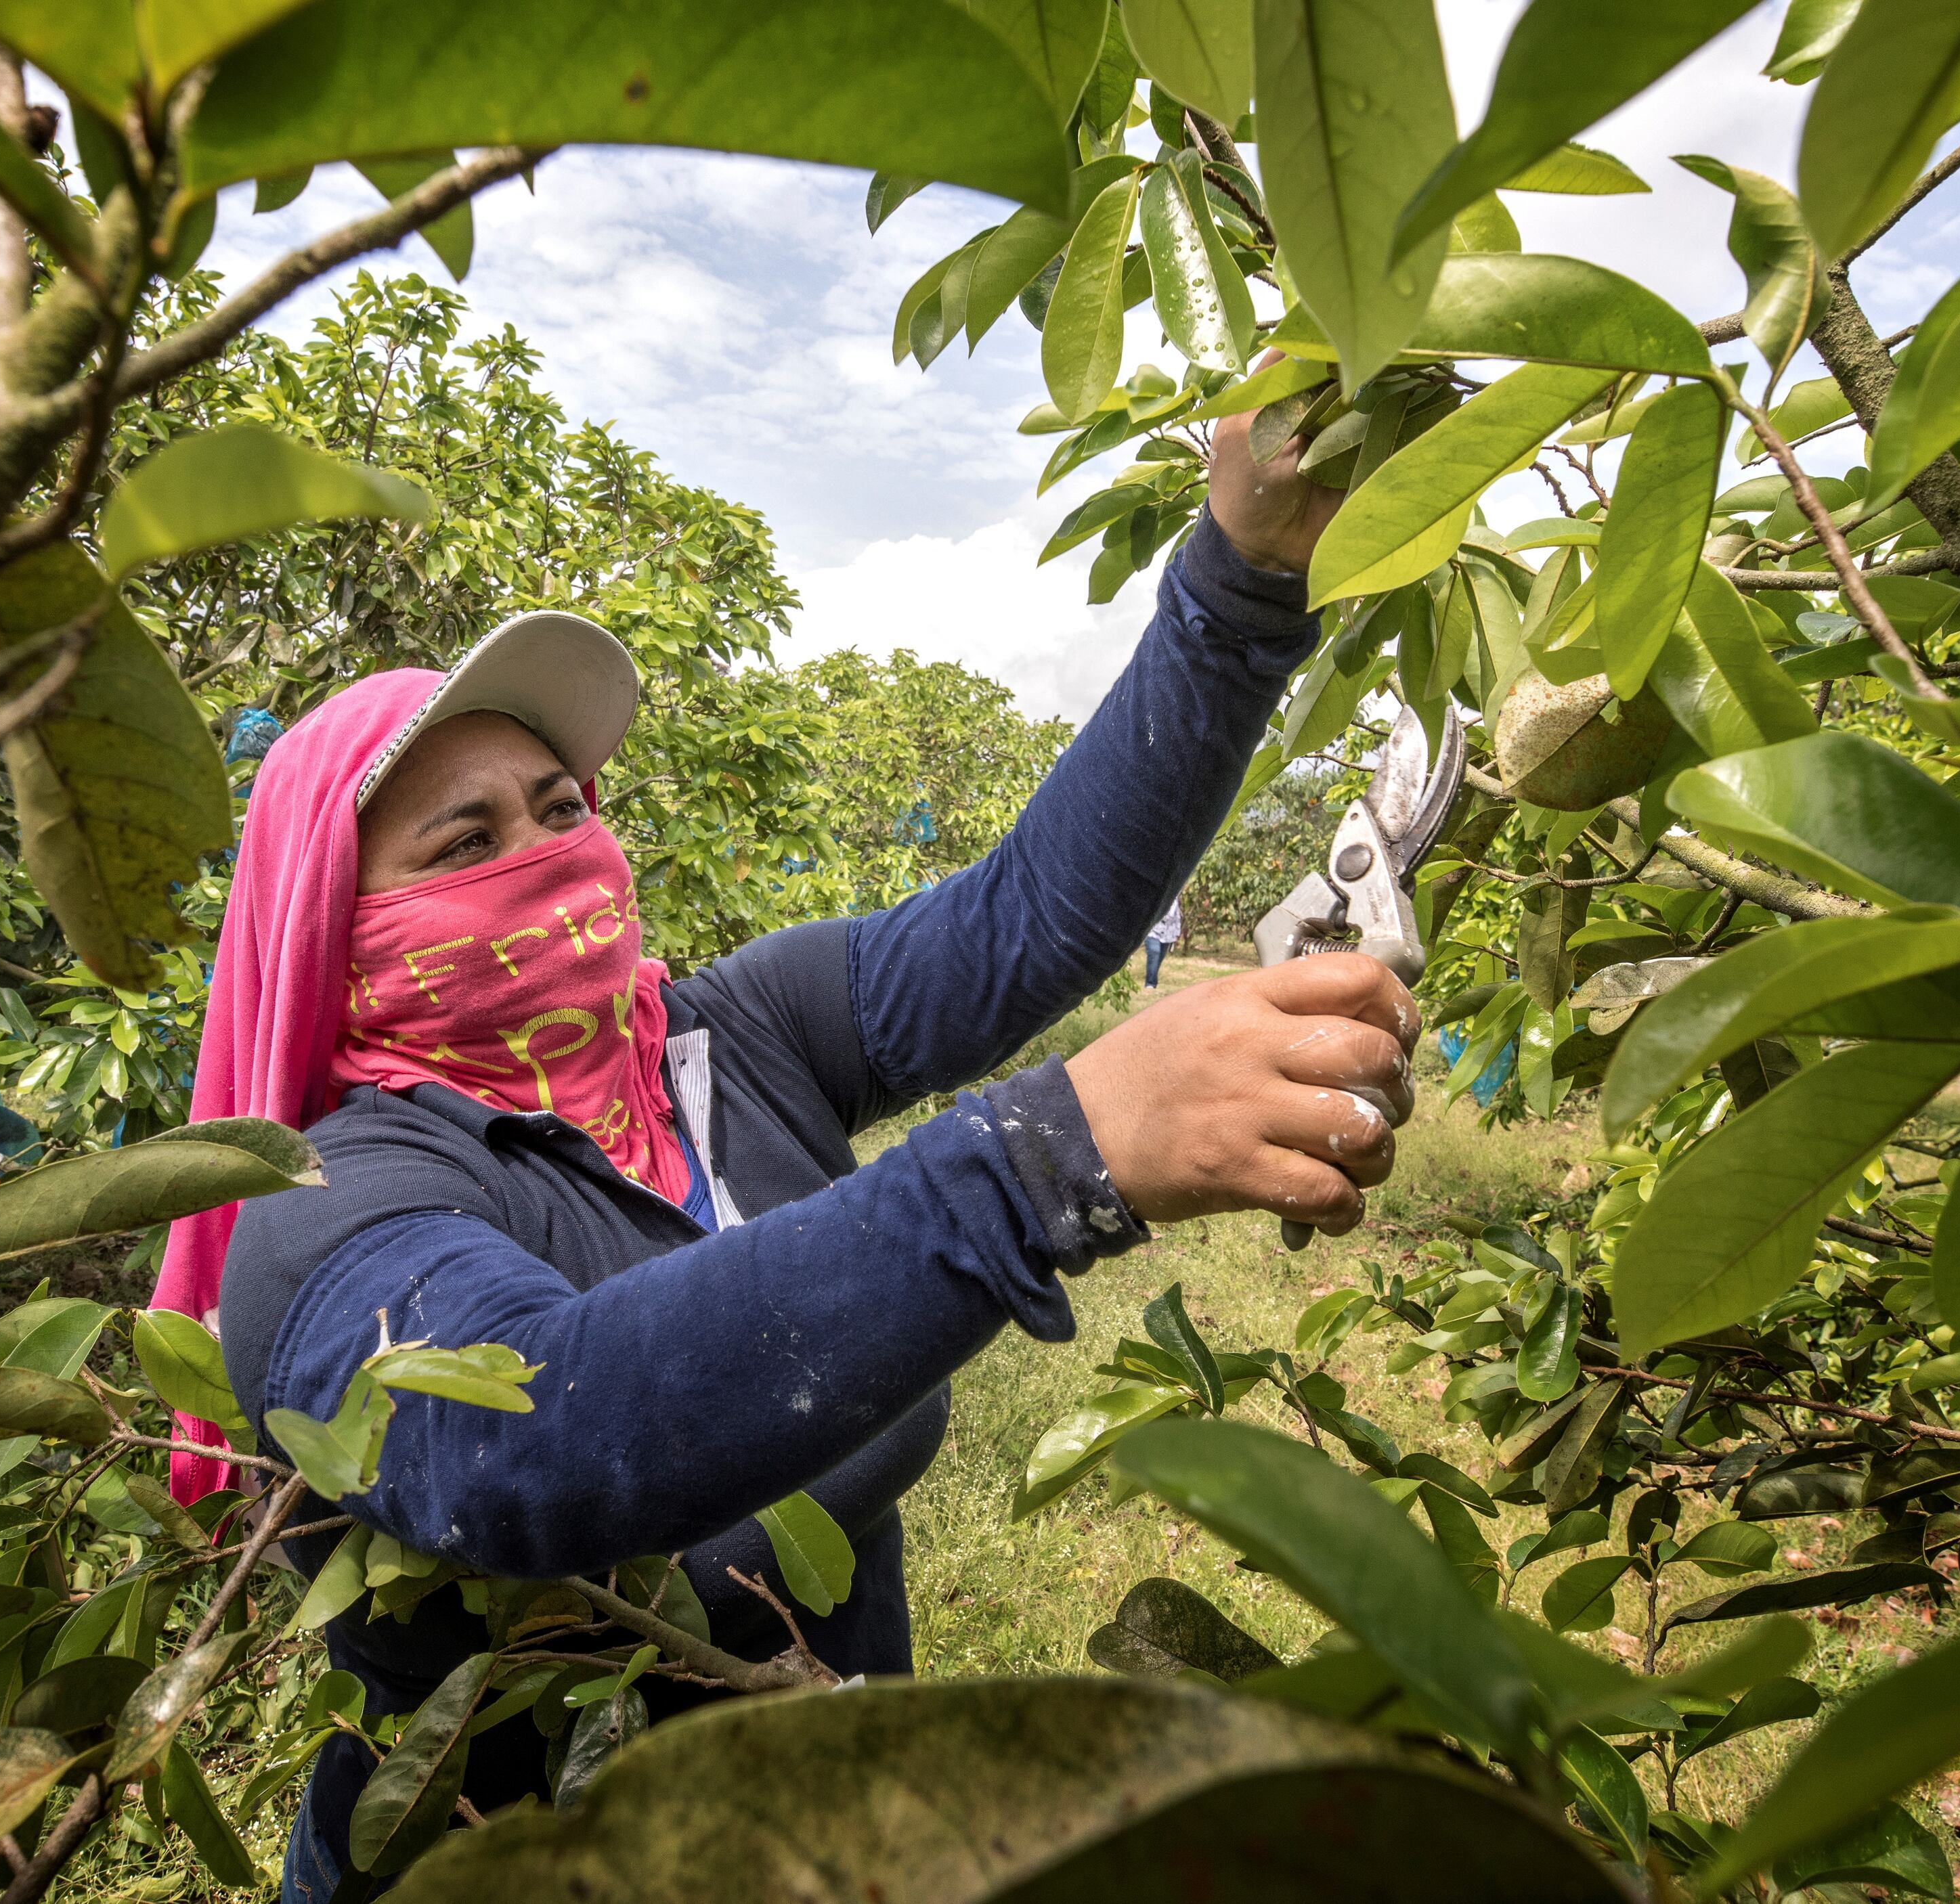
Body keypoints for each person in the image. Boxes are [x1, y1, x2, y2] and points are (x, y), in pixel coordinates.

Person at [154, 392, 1406, 1899]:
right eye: (461, 841)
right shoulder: (323, 1205)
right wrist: (1040, 1156)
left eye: (561, 806)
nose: (542, 856)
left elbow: (1028, 916)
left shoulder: (726, 1038)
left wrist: (1244, 573)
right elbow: (540, 1438)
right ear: (333, 933)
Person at [1143, 893, 1184, 988]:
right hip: (1153, 931)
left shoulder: (1175, 899)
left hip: (1168, 934)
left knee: (1159, 957)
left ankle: (1153, 980)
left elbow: (1176, 917)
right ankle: (1150, 984)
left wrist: (1177, 933)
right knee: (1154, 952)